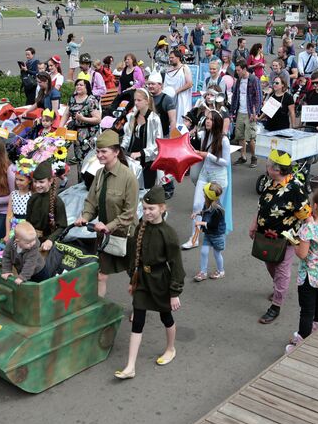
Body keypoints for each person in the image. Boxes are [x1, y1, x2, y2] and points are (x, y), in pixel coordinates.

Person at [114, 186, 184, 380]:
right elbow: (135, 257)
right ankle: (130, 366)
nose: (146, 212)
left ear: (162, 208)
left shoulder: (168, 233)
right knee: (138, 320)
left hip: (161, 280)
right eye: (144, 208)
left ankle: (170, 349)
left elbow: (176, 264)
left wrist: (174, 292)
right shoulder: (140, 228)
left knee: (166, 317)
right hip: (143, 280)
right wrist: (132, 280)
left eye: (151, 209)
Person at [75, 130, 140, 298]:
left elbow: (129, 213)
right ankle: (98, 312)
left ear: (116, 152)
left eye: (104, 151)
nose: (99, 155)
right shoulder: (99, 174)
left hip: (126, 235)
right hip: (104, 234)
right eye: (97, 151)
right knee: (101, 275)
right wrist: (85, 216)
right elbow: (91, 202)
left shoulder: (128, 178)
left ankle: (138, 307)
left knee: (133, 275)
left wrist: (108, 226)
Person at [249, 149, 311, 324]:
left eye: (269, 165)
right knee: (270, 264)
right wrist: (254, 224)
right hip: (266, 237)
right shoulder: (271, 182)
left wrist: (305, 241)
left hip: (287, 238)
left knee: (282, 270)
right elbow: (261, 206)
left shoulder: (295, 189)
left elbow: (307, 216)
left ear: (277, 169)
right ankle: (279, 288)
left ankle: (276, 305)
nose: (266, 167)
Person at [285, 187, 318, 353]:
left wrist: (295, 244)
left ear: (314, 207)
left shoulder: (308, 229)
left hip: (309, 275)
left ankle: (300, 342)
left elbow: (302, 254)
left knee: (307, 310)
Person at [182, 109, 230, 250]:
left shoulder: (224, 140)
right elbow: (187, 137)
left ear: (217, 123)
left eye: (211, 119)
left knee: (216, 210)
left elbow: (226, 162)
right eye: (207, 118)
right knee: (197, 206)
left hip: (218, 178)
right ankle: (194, 238)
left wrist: (207, 155)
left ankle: (217, 235)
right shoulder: (203, 134)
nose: (208, 121)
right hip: (204, 175)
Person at [121, 88, 163, 189]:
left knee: (146, 190)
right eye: (135, 100)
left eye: (139, 100)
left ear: (146, 101)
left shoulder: (154, 119)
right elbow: (127, 135)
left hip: (147, 161)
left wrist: (141, 153)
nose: (136, 103)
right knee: (130, 189)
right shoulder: (132, 116)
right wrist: (122, 148)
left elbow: (158, 143)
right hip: (131, 159)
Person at [25, 161, 68, 253]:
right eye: (35, 181)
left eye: (41, 182)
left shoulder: (57, 202)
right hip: (32, 241)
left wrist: (50, 240)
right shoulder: (32, 199)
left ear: (50, 181)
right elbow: (28, 221)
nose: (37, 185)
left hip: (47, 244)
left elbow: (62, 226)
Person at [192, 182, 226, 281]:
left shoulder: (218, 210)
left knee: (217, 253)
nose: (203, 194)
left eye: (204, 193)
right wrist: (197, 213)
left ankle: (221, 271)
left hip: (217, 235)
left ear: (208, 196)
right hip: (208, 233)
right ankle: (203, 272)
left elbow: (213, 225)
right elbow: (205, 212)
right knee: (204, 252)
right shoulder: (207, 204)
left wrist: (200, 223)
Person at [231, 59, 262, 168]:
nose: (237, 72)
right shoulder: (239, 80)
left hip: (250, 113)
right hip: (240, 111)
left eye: (238, 70)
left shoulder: (254, 79)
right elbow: (235, 96)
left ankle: (254, 157)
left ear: (244, 69)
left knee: (251, 137)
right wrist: (232, 112)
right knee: (240, 136)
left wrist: (256, 112)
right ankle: (243, 157)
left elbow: (259, 97)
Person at [64, 79, 101, 164]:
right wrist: (60, 127)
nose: (78, 86)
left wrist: (83, 119)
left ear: (86, 87)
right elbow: (66, 114)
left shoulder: (91, 100)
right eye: (77, 85)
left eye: (81, 85)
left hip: (89, 133)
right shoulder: (73, 98)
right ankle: (80, 176)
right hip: (75, 131)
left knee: (88, 159)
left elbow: (98, 119)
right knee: (79, 157)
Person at [5, 160, 33, 240]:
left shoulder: (32, 195)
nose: (18, 182)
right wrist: (7, 233)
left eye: (21, 180)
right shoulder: (13, 194)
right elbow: (9, 215)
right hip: (14, 228)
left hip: (27, 227)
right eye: (16, 179)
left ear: (30, 180)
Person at [163, 49, 193, 119]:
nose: (170, 59)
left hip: (182, 99)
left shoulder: (184, 68)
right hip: (171, 99)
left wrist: (176, 91)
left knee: (181, 119)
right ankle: (173, 130)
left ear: (178, 58)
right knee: (172, 119)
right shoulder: (169, 70)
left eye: (172, 57)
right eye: (169, 57)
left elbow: (189, 84)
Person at [147, 71, 177, 136]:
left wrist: (171, 138)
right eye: (149, 84)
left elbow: (173, 120)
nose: (150, 86)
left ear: (160, 85)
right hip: (148, 136)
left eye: (152, 84)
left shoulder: (167, 99)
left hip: (163, 136)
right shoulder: (147, 98)